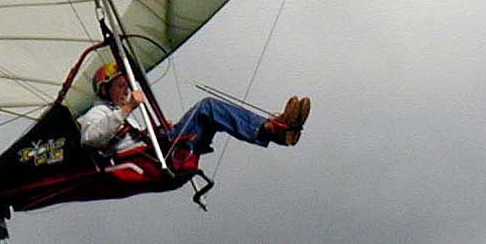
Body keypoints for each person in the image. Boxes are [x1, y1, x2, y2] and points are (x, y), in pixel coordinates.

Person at [76, 59, 310, 156]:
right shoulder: (98, 113)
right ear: (106, 90)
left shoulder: (123, 117)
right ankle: (271, 129)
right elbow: (91, 138)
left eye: (128, 86)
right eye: (120, 86)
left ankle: (279, 129)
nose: (126, 91)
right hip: (154, 154)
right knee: (207, 107)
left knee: (212, 113)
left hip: (162, 146)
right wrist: (127, 108)